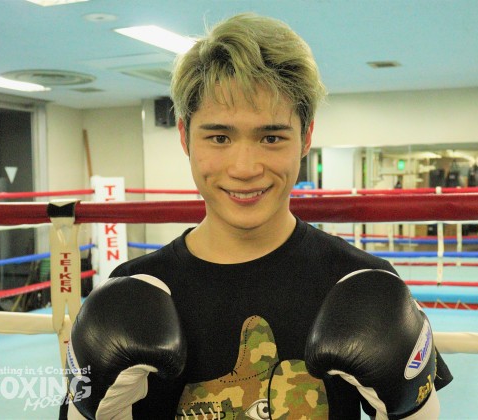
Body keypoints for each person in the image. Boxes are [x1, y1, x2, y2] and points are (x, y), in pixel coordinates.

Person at [62, 13, 452, 419]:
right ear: (184, 137)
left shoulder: (361, 284)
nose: (245, 168)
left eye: (271, 137)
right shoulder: (132, 293)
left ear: (306, 137)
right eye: (219, 137)